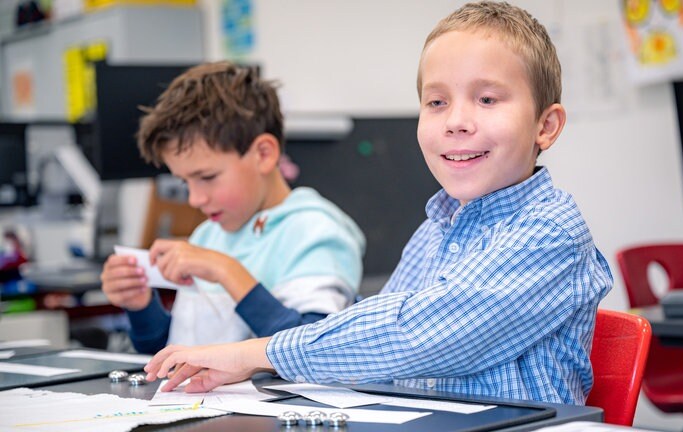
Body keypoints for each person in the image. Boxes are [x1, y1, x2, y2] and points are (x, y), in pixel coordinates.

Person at [144, 2, 612, 405]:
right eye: (436, 102)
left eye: (487, 98)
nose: (457, 122)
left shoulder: (550, 232)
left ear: (545, 127)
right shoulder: (436, 227)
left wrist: (251, 354)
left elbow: (417, 335)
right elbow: (374, 332)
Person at [100, 62, 365, 354]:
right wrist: (141, 306)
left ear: (263, 154)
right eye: (185, 182)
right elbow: (180, 351)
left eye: (207, 177)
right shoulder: (208, 235)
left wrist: (226, 271)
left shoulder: (316, 232)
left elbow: (316, 351)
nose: (195, 199)